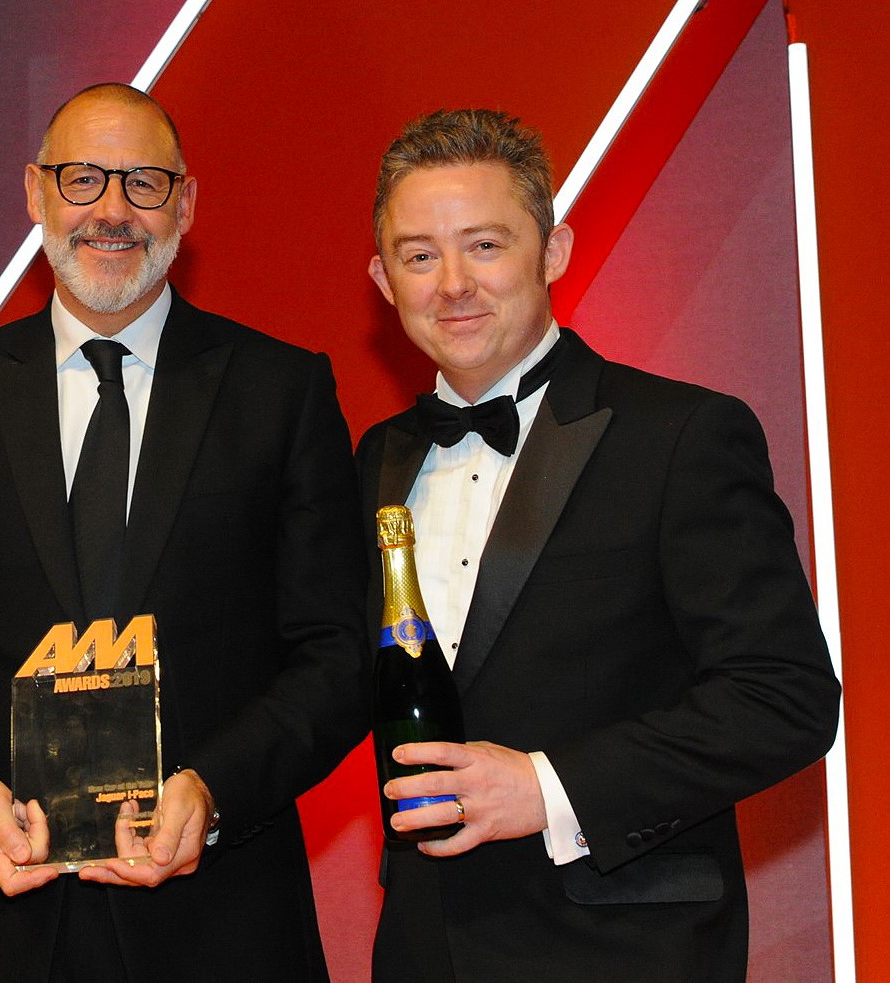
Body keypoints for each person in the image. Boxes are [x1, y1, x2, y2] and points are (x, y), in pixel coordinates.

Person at [0, 82, 369, 981]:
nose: (112, 210)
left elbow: (334, 652)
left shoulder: (280, 392)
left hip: (222, 923)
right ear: (34, 192)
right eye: (82, 179)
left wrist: (211, 796)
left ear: (187, 202)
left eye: (143, 182)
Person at [357, 108, 841, 982]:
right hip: (426, 948)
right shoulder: (375, 458)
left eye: (486, 245)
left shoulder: (682, 434)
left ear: (553, 251)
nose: (453, 283)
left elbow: (785, 697)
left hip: (628, 952)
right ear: (383, 281)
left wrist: (544, 786)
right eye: (419, 255)